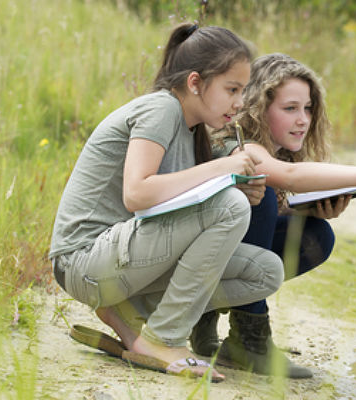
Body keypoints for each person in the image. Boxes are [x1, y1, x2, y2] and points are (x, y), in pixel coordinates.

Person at [49, 23, 286, 382]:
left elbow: (173, 207)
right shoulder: (161, 109)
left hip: (124, 259)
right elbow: (137, 193)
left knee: (266, 270)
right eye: (232, 89)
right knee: (229, 208)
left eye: (243, 90)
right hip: (83, 261)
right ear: (195, 82)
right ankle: (164, 338)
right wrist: (222, 169)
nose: (239, 102)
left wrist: (235, 185)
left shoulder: (192, 130)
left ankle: (131, 315)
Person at [189, 53, 356, 378]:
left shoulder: (270, 147)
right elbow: (288, 178)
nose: (303, 119)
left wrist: (308, 209)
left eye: (308, 108)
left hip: (216, 258)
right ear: (258, 109)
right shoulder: (239, 145)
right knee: (259, 195)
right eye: (290, 108)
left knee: (315, 235)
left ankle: (218, 321)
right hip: (186, 264)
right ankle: (249, 338)